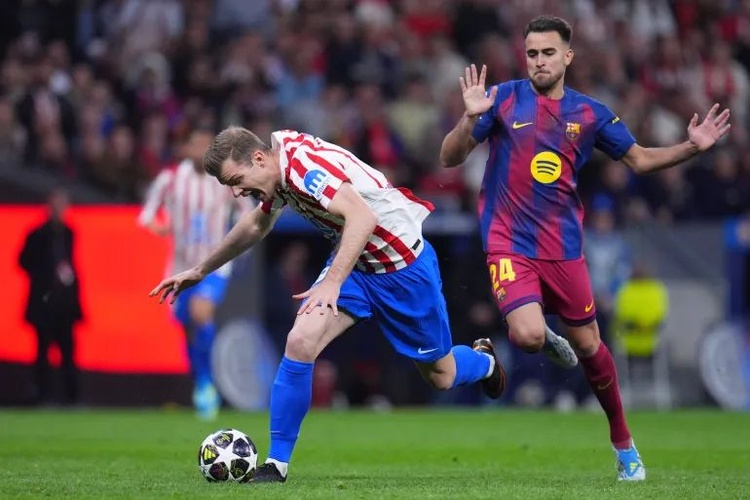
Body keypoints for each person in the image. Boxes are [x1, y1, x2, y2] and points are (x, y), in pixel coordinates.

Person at [439, 15, 731, 481]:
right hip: (508, 242)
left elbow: (639, 159)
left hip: (563, 249)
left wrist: (691, 147)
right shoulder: (502, 99)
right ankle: (541, 335)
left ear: (567, 56)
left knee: (591, 347)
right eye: (532, 53)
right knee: (528, 337)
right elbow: (449, 157)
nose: (539, 61)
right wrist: (469, 117)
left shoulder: (591, 114)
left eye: (548, 52)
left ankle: (624, 444)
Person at [149, 126, 507, 483]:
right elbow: (257, 224)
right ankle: (276, 464)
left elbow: (363, 217)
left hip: (402, 269)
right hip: (355, 265)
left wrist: (332, 282)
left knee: (442, 375)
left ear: (258, 158)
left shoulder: (304, 169)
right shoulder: (276, 169)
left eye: (236, 180)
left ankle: (484, 363)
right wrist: (201, 270)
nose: (237, 191)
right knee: (300, 341)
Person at [138, 127, 251, 420]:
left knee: (202, 313)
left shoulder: (224, 179)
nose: (201, 151)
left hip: (214, 264)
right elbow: (147, 215)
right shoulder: (171, 179)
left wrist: (235, 237)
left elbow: (248, 209)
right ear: (186, 149)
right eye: (196, 145)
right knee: (188, 327)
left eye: (206, 146)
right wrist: (162, 227)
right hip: (180, 267)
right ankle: (202, 381)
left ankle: (207, 382)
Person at [19, 187, 82, 406]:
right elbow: (23, 261)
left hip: (64, 303)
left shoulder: (68, 233)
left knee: (68, 352)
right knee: (42, 352)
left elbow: (71, 266)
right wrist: (45, 273)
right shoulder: (37, 234)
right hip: (43, 303)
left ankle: (72, 398)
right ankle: (42, 395)